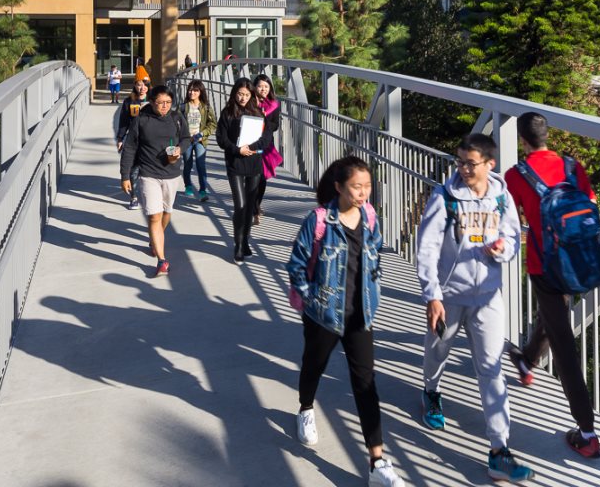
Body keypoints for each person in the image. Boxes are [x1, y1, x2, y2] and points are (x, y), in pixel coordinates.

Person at [414, 133, 533, 482]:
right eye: (459, 161)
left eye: (471, 163)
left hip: (488, 298)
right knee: (438, 350)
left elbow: (513, 237)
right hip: (449, 295)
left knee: (491, 369)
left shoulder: (501, 198)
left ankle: (500, 450)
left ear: (489, 164)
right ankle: (431, 392)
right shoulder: (444, 197)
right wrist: (432, 295)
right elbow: (427, 248)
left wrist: (504, 250)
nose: (464, 169)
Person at [287, 156, 403, 487]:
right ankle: (306, 408)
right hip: (324, 314)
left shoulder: (369, 216)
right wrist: (314, 299)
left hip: (360, 315)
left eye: (367, 186)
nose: (363, 193)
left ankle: (377, 461)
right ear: (339, 187)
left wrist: (374, 288)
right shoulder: (319, 220)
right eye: (356, 187)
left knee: (366, 385)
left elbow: (376, 252)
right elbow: (296, 264)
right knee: (313, 366)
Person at [504, 112, 600, 459]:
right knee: (553, 314)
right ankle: (527, 363)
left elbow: (509, 222)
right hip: (580, 260)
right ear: (547, 135)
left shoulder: (516, 175)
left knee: (563, 345)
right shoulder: (573, 167)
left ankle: (587, 433)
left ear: (522, 140)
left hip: (544, 265)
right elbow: (590, 205)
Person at [118, 85, 190, 277]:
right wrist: (125, 176)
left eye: (168, 102)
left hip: (172, 174)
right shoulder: (141, 120)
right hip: (148, 173)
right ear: (151, 101)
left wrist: (179, 150)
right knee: (154, 216)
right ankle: (162, 260)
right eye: (160, 103)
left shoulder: (176, 118)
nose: (164, 106)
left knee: (166, 214)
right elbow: (130, 148)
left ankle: (154, 239)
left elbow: (186, 139)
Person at [216, 77, 271, 262]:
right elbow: (221, 139)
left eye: (247, 95)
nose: (243, 98)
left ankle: (246, 240)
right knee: (240, 205)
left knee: (249, 206)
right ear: (234, 93)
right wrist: (237, 149)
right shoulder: (227, 113)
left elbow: (267, 136)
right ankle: (238, 244)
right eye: (240, 94)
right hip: (235, 163)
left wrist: (253, 147)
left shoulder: (257, 112)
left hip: (254, 163)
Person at [115, 80, 152, 208]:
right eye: (139, 85)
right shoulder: (129, 101)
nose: (142, 88)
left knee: (150, 170)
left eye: (144, 85)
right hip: (134, 139)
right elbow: (124, 121)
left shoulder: (154, 99)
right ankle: (134, 197)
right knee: (133, 169)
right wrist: (120, 138)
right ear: (134, 86)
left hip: (150, 140)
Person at [251, 73, 282, 225]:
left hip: (265, 144)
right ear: (254, 87)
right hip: (249, 143)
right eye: (260, 86)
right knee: (252, 177)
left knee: (262, 178)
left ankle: (256, 207)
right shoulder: (249, 102)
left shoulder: (274, 104)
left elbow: (276, 125)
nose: (263, 89)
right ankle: (253, 207)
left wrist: (264, 123)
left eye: (266, 86)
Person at [181, 79, 216, 202]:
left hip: (200, 140)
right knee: (187, 163)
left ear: (200, 92)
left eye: (195, 90)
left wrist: (203, 134)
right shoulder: (183, 107)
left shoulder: (205, 107)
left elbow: (213, 124)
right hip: (186, 140)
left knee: (201, 165)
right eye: (190, 90)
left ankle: (202, 190)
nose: (192, 92)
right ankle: (188, 185)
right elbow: (175, 123)